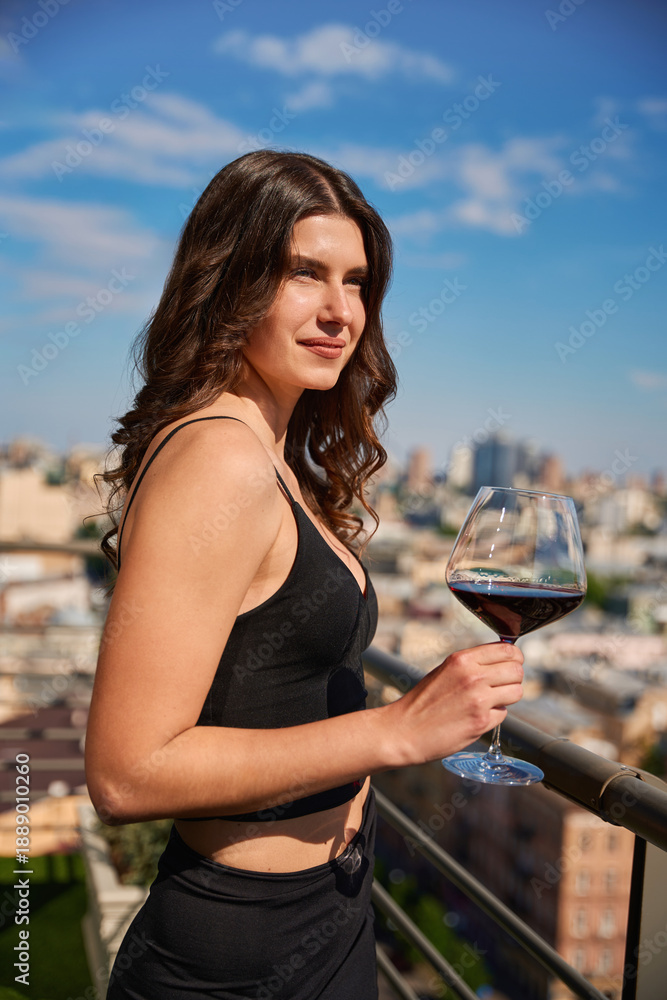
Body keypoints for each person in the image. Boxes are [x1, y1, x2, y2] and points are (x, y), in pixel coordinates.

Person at [84, 150, 524, 999]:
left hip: (322, 910)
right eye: (303, 274)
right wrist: (394, 730)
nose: (339, 312)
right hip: (242, 950)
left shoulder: (268, 451)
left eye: (357, 282)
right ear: (230, 281)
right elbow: (125, 771)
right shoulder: (220, 457)